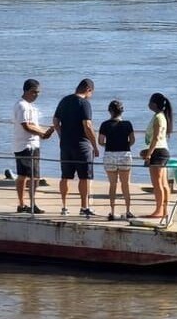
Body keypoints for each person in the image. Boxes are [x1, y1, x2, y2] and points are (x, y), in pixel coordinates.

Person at [53, 78, 101, 217]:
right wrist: (95, 146)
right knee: (84, 177)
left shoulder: (64, 100)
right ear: (88, 90)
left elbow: (55, 121)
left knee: (65, 176)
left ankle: (64, 206)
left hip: (65, 144)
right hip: (82, 145)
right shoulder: (84, 103)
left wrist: (61, 135)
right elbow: (87, 125)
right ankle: (84, 207)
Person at [12, 78, 53, 214]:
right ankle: (30, 204)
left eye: (38, 92)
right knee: (33, 176)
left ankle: (23, 204)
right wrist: (42, 133)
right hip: (27, 145)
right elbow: (26, 126)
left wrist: (43, 132)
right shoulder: (23, 106)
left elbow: (32, 125)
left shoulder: (27, 106)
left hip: (26, 144)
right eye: (34, 92)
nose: (36, 95)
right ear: (26, 91)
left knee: (23, 175)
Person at [97, 99, 136, 220]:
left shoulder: (104, 124)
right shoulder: (128, 124)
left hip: (110, 155)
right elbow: (133, 140)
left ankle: (112, 211)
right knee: (126, 184)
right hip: (124, 154)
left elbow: (100, 141)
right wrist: (125, 144)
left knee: (112, 184)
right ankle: (128, 210)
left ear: (110, 111)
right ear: (122, 111)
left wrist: (107, 145)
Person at [139, 92, 174, 219]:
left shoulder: (159, 117)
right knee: (163, 183)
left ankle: (159, 209)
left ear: (154, 104)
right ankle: (164, 209)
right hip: (162, 150)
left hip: (158, 152)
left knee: (158, 183)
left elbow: (156, 137)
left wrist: (149, 154)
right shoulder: (161, 116)